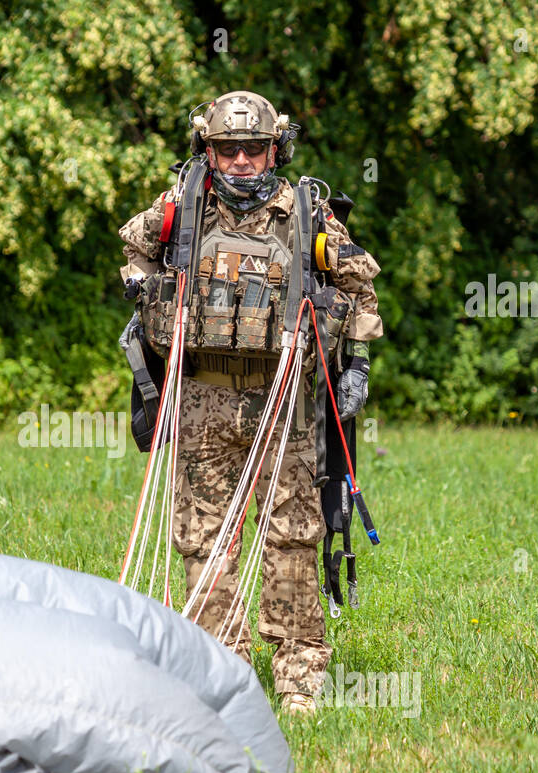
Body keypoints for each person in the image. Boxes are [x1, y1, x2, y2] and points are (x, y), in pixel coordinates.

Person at [118, 91, 383, 715]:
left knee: (292, 536)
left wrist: (358, 367)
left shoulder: (306, 215)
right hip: (201, 401)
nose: (240, 160)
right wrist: (146, 288)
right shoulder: (181, 209)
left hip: (284, 401)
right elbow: (133, 251)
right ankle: (216, 674)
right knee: (203, 539)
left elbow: (360, 283)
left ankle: (299, 680)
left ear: (275, 149)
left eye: (253, 149)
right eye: (226, 149)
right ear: (206, 149)